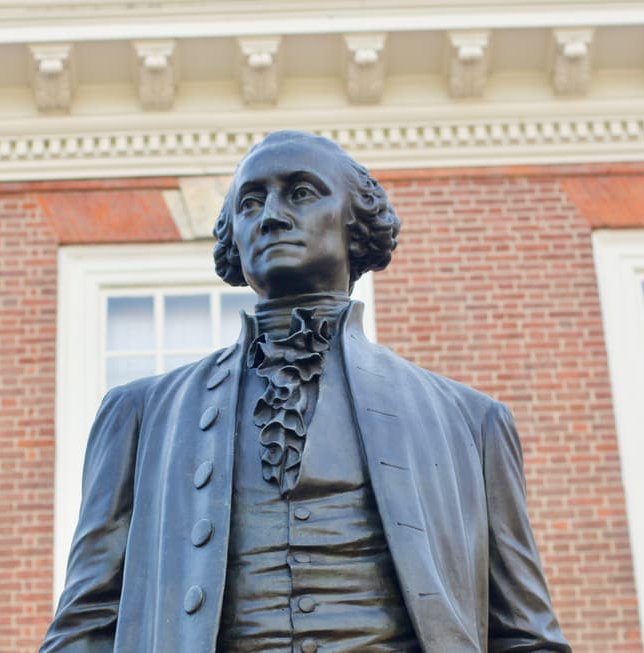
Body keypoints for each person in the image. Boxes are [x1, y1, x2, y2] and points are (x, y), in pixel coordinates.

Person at [42, 131, 571, 652]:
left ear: (354, 221)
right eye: (251, 202)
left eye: (301, 193)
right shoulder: (140, 416)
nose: (271, 214)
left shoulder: (471, 424)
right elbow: (85, 625)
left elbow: (524, 637)